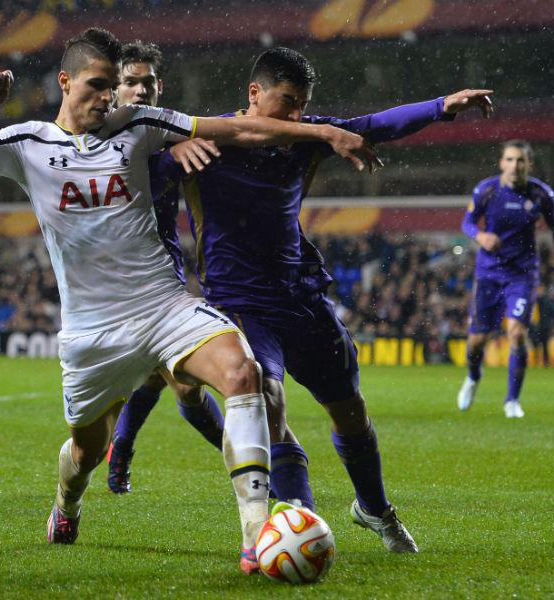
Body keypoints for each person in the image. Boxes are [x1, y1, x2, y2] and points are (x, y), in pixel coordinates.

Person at [0, 28, 379, 573]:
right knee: (86, 453)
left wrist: (325, 132)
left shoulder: (137, 125)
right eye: (97, 85)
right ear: (65, 82)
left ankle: (256, 533)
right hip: (93, 332)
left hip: (163, 307)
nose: (107, 97)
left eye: (113, 87)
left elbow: (239, 129)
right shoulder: (27, 143)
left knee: (242, 372)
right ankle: (67, 502)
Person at [152, 47, 493, 553]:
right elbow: (136, 163)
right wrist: (169, 150)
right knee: (268, 400)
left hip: (300, 295)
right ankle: (299, 522)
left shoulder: (306, 137)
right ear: (254, 93)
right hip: (239, 302)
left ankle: (373, 510)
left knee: (349, 410)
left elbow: (375, 124)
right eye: (287, 101)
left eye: (303, 104)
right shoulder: (205, 137)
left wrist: (443, 105)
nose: (296, 114)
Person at [106, 41, 225, 495]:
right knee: (173, 380)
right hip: (113, 282)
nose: (139, 91)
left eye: (147, 83)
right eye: (130, 82)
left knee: (173, 381)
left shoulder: (175, 130)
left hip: (165, 274)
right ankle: (254, 470)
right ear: (114, 90)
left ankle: (122, 449)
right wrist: (165, 160)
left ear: (160, 88)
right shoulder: (97, 135)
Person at [457, 140, 554, 418]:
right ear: (502, 163)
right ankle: (474, 376)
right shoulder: (486, 190)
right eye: (510, 160)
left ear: (529, 164)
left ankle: (512, 400)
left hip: (523, 274)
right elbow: (467, 222)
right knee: (477, 341)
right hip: (489, 273)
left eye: (521, 160)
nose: (515, 165)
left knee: (516, 333)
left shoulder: (541, 194)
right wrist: (481, 236)